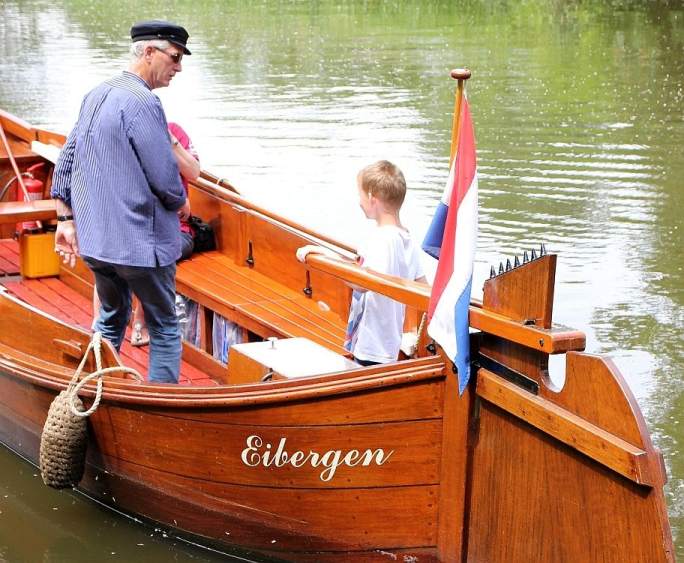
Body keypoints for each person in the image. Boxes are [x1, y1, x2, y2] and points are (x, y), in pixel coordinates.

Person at [51, 20, 193, 383]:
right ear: (149, 52)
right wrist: (179, 202)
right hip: (140, 246)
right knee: (163, 325)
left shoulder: (96, 94)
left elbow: (66, 158)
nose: (178, 68)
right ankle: (161, 411)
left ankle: (94, 392)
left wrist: (64, 217)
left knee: (111, 319)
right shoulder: (145, 101)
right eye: (175, 58)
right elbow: (165, 176)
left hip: (98, 244)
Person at [297, 160, 427, 365]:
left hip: (372, 347)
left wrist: (326, 260)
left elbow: (360, 282)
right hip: (390, 344)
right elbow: (422, 286)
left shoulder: (381, 238)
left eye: (360, 195)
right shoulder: (406, 239)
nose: (358, 201)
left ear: (371, 197)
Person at [99, 121, 201, 347]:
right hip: (131, 226)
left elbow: (194, 172)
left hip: (175, 230)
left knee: (155, 251)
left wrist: (169, 140)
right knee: (105, 256)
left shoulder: (174, 131)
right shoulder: (119, 136)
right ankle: (99, 326)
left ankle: (140, 321)